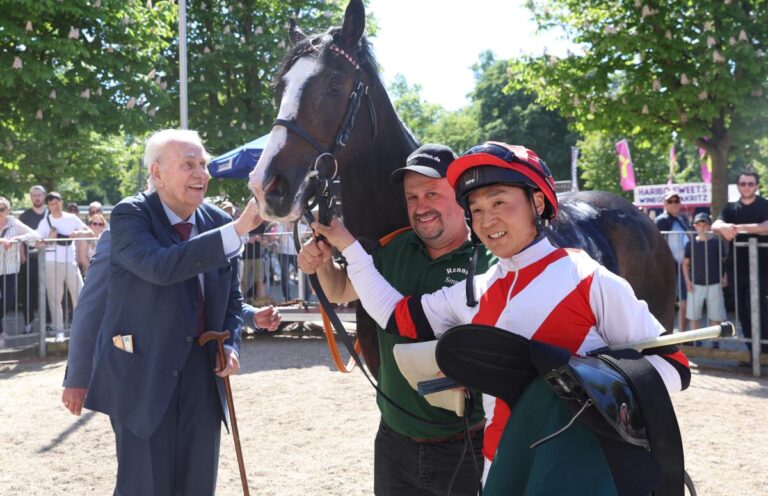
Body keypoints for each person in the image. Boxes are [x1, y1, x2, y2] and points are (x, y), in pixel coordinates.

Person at [312, 142, 691, 492]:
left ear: (538, 203)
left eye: (499, 203)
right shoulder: (475, 290)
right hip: (499, 469)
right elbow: (394, 313)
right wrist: (346, 244)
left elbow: (673, 366)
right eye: (476, 209)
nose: (487, 219)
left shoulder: (588, 278)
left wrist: (575, 385)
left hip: (577, 469)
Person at [299, 144, 494, 496]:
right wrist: (321, 263)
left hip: (466, 445)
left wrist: (347, 246)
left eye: (432, 193)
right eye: (412, 197)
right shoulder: (395, 247)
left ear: (461, 197)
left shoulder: (488, 261)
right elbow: (342, 289)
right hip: (393, 441)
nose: (421, 207)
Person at [82, 128, 264, 494]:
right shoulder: (130, 215)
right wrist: (240, 228)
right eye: (188, 165)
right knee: (145, 487)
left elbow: (229, 300)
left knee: (198, 486)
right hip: (143, 374)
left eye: (203, 164)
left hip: (203, 374)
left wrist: (231, 345)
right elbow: (160, 267)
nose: (201, 173)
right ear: (157, 174)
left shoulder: (215, 221)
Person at [63, 228, 281, 417]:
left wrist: (251, 315)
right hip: (141, 375)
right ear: (158, 178)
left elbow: (212, 298)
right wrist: (78, 377)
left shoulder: (212, 229)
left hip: (199, 372)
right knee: (145, 464)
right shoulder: (123, 230)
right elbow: (91, 305)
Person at [712, 170, 768, 356]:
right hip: (737, 268)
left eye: (751, 184)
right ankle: (754, 354)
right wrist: (724, 227)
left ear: (757, 186)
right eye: (743, 184)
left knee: (759, 309)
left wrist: (737, 228)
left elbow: (766, 227)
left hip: (762, 268)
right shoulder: (730, 208)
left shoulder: (764, 205)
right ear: (738, 186)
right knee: (743, 312)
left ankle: (764, 352)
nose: (747, 187)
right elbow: (715, 226)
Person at [35, 191, 90, 341]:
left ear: (61, 202)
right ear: (48, 206)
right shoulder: (45, 222)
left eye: (57, 202)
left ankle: (82, 328)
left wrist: (77, 233)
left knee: (80, 294)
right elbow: (37, 243)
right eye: (51, 204)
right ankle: (59, 331)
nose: (55, 206)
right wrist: (49, 239)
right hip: (52, 261)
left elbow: (89, 231)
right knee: (55, 297)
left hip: (70, 261)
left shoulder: (71, 218)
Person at [0, 197, 41, 345]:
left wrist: (18, 238)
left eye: (2, 209)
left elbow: (36, 235)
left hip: (9, 269)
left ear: (7, 210)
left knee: (8, 302)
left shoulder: (14, 223)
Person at [682, 213, 727, 334]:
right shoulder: (690, 244)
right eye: (699, 225)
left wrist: (725, 276)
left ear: (709, 226)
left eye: (705, 224)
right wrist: (687, 281)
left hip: (714, 283)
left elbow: (724, 261)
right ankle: (697, 341)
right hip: (695, 284)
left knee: (716, 316)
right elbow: (685, 264)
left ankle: (714, 343)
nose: (702, 227)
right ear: (695, 226)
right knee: (693, 315)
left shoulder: (717, 243)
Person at [654, 190, 690, 330]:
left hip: (682, 268)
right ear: (664, 204)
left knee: (684, 302)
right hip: (667, 269)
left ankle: (682, 334)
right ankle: (663, 335)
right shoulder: (661, 220)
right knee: (666, 303)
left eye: (676, 201)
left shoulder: (682, 220)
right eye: (670, 201)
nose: (674, 204)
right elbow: (657, 245)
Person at [18, 184, 47, 332]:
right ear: (31, 197)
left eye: (39, 195)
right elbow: (20, 239)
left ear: (44, 196)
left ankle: (49, 324)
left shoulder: (50, 214)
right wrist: (23, 258)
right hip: (31, 260)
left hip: (50, 260)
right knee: (29, 293)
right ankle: (28, 324)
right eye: (34, 195)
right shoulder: (24, 216)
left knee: (49, 293)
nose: (37, 197)